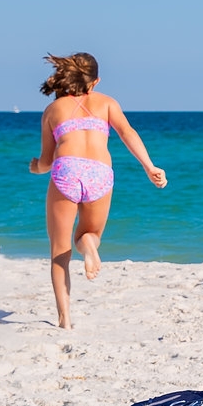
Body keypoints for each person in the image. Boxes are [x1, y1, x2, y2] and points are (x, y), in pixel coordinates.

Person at [27, 52, 168, 329]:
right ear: (95, 81)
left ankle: (65, 319)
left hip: (67, 170)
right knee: (88, 234)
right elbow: (128, 133)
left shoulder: (53, 110)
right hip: (100, 173)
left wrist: (35, 167)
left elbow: (47, 160)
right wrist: (149, 166)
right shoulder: (107, 103)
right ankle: (89, 247)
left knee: (60, 250)